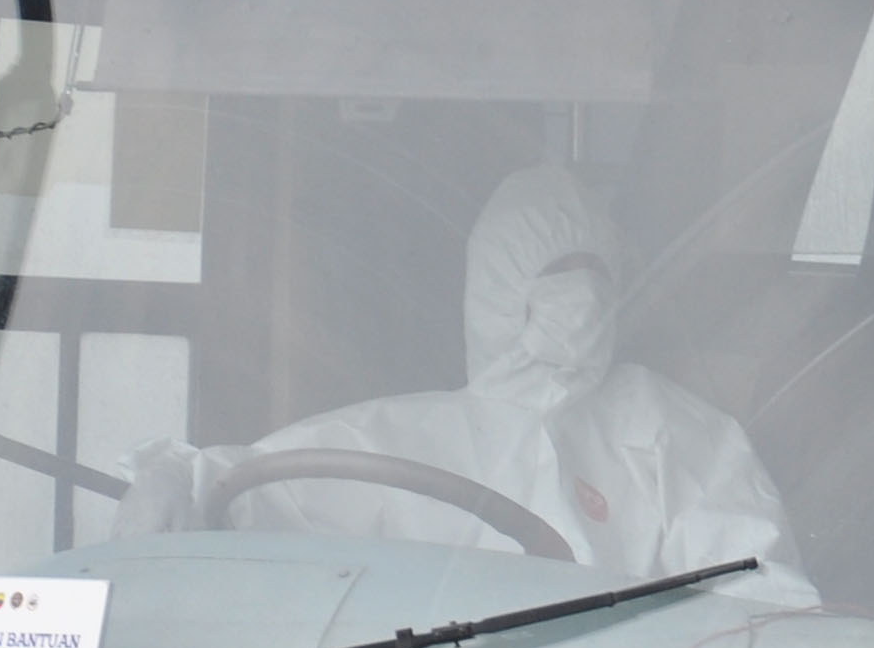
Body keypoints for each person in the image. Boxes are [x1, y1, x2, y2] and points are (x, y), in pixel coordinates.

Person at [128, 165, 806, 591]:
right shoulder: (404, 442)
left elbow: (760, 596)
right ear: (498, 291)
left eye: (594, 271)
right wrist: (175, 480)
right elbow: (256, 491)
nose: (581, 296)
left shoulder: (670, 430)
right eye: (555, 272)